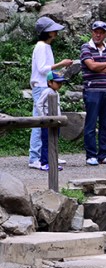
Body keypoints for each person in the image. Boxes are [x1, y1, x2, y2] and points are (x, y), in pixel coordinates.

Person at [29, 16, 72, 169]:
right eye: (53, 30)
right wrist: (61, 63)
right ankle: (35, 157)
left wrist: (60, 70)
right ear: (47, 32)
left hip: (45, 85)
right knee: (39, 121)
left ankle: (49, 155)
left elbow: (47, 69)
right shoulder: (41, 46)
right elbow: (42, 69)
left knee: (50, 121)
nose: (55, 32)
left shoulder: (46, 46)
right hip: (41, 87)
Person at [80, 20, 106, 166]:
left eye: (101, 32)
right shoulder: (86, 47)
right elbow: (91, 65)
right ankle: (91, 155)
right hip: (92, 90)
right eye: (96, 31)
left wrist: (98, 67)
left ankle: (104, 154)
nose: (98, 34)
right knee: (91, 124)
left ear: (105, 34)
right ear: (92, 32)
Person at [36, 71, 68, 172]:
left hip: (55, 122)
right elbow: (39, 104)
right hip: (47, 122)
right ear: (50, 82)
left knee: (53, 142)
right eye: (57, 82)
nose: (60, 85)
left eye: (61, 83)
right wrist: (43, 118)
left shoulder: (55, 93)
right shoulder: (47, 91)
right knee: (46, 142)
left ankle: (53, 162)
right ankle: (44, 162)